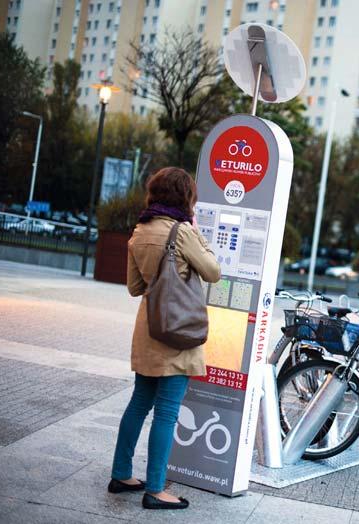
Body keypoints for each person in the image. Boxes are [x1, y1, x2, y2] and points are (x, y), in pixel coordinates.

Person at [108, 167, 220, 510]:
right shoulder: (182, 231)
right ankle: (156, 489)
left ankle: (121, 473)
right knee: (167, 412)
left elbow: (134, 288)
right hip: (177, 333)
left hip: (149, 330)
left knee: (139, 404)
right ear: (185, 197)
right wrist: (197, 232)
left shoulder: (140, 230)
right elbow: (213, 271)